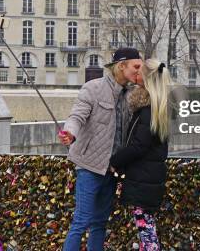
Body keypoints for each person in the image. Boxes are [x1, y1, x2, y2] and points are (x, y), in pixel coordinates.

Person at [59, 47, 142, 251]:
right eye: (136, 66)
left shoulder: (133, 94)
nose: (139, 71)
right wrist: (70, 133)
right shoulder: (93, 88)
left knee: (100, 224)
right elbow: (77, 116)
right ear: (122, 66)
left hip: (112, 170)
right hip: (89, 166)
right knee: (81, 222)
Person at [109, 58, 172, 250]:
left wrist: (114, 162)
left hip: (142, 180)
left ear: (147, 79)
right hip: (150, 178)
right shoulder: (158, 107)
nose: (136, 75)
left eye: (140, 72)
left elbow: (138, 146)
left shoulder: (147, 110)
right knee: (146, 228)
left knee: (147, 231)